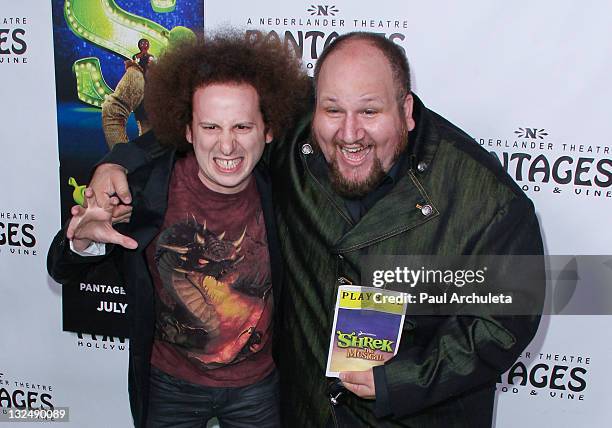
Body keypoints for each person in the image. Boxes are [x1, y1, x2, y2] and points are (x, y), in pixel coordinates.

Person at [83, 32, 544, 427]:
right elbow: (203, 130)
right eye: (333, 110)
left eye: (370, 111)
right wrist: (118, 161)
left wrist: (401, 378)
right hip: (301, 413)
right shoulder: (294, 130)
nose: (349, 133)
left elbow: (507, 320)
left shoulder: (485, 199)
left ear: (406, 110)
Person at [48, 33, 310, 427]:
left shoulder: (285, 188)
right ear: (187, 130)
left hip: (257, 384)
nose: (226, 146)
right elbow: (60, 267)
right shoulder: (147, 188)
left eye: (242, 126)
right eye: (210, 127)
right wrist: (83, 239)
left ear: (268, 131)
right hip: (169, 383)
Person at [102, 28, 195, 149]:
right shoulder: (140, 74)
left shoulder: (195, 78)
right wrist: (123, 158)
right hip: (153, 159)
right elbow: (112, 112)